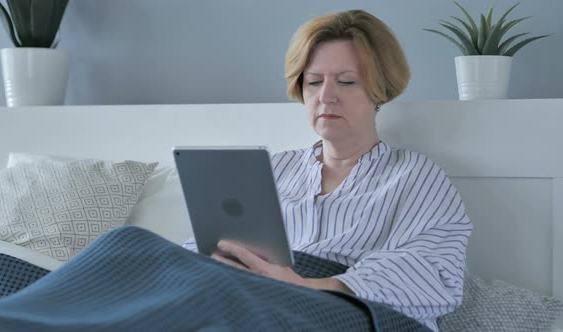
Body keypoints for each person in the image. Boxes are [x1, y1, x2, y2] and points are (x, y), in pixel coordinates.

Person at [183, 9, 472, 332]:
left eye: (347, 82)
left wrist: (312, 286)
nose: (326, 96)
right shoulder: (272, 168)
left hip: (337, 310)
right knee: (129, 241)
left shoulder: (414, 176)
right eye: (314, 82)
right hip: (248, 295)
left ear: (380, 92)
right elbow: (202, 248)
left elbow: (434, 271)